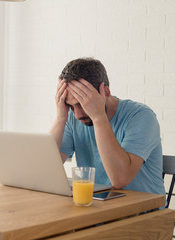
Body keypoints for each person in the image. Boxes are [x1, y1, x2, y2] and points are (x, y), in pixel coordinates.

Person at [49, 57, 165, 195]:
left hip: (143, 210)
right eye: (70, 106)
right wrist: (61, 118)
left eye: (82, 104)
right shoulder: (73, 118)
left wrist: (98, 117)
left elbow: (120, 180)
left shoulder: (141, 116)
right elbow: (45, 170)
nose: (78, 115)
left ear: (106, 92)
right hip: (98, 206)